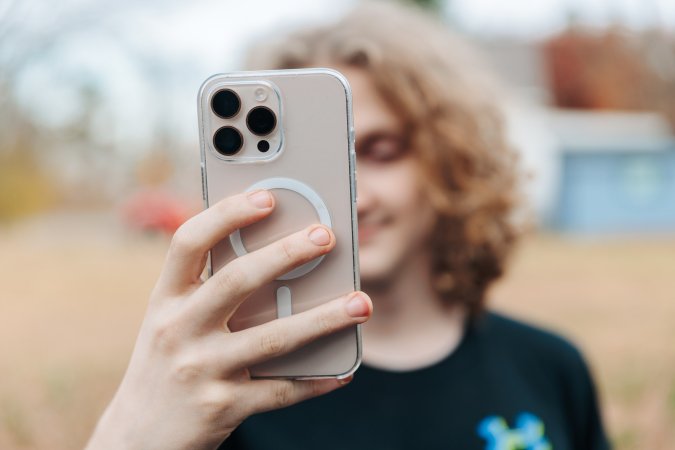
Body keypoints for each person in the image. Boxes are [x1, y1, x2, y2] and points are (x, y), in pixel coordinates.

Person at [86, 3, 611, 450]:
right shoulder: (222, 396)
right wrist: (131, 430)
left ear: (450, 160)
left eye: (381, 152)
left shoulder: (551, 368)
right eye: (328, 167)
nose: (354, 197)